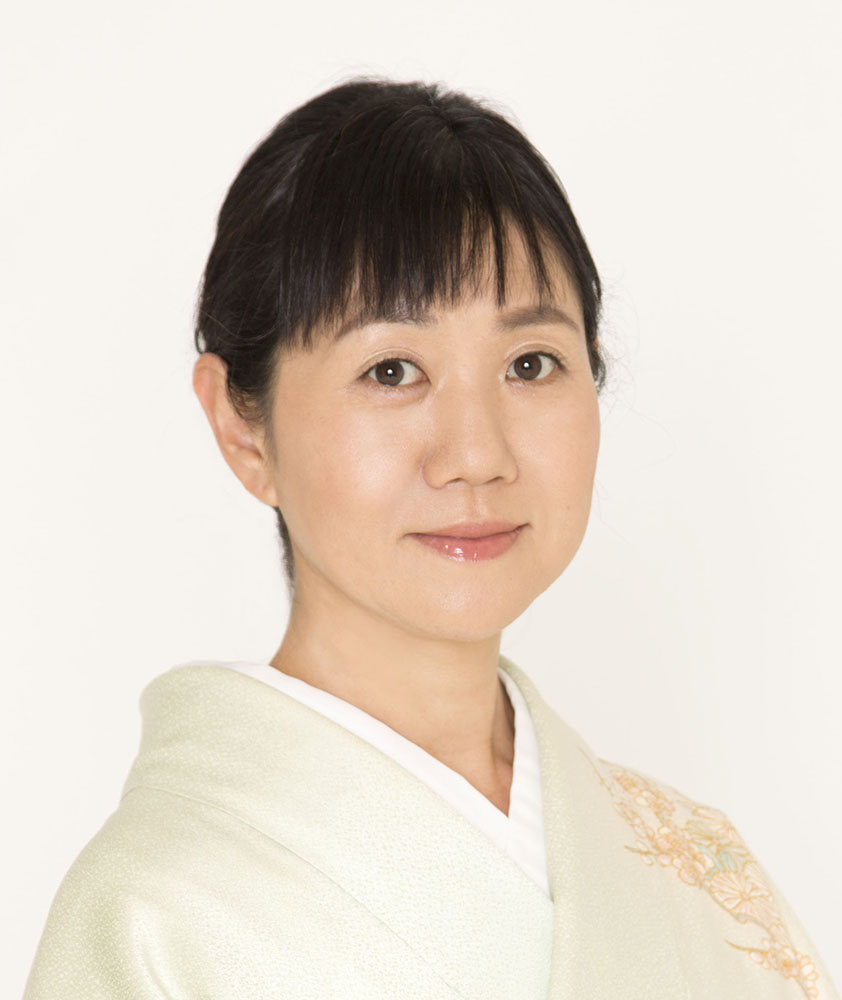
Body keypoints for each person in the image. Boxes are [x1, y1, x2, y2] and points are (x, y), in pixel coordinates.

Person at [22, 76, 838, 1000]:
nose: (476, 455)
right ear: (243, 428)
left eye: (531, 363)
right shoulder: (153, 915)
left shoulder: (703, 879)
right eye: (392, 371)